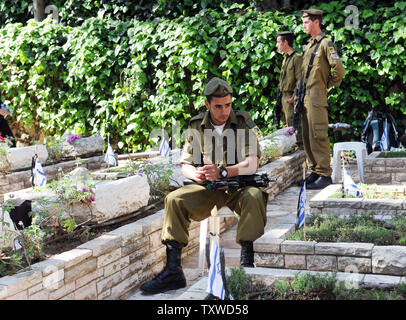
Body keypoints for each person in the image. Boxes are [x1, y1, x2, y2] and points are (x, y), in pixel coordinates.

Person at [140, 77, 268, 294]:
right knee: (174, 199)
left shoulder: (243, 122)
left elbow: (252, 163)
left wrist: (225, 171)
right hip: (210, 188)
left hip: (239, 187)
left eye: (228, 105)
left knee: (254, 196)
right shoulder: (196, 126)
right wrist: (197, 174)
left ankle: (247, 263)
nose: (224, 111)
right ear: (208, 105)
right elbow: (185, 165)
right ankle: (173, 271)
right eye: (218, 106)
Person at [299, 9, 345, 190]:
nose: (303, 26)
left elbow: (339, 70)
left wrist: (328, 85)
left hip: (317, 98)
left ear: (316, 22)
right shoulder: (309, 46)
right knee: (308, 136)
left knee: (318, 135)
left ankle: (325, 174)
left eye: (306, 22)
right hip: (305, 98)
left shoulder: (326, 44)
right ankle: (315, 171)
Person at [276, 31, 303, 149]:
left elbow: (300, 79)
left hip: (290, 97)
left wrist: (295, 97)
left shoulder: (296, 57)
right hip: (283, 96)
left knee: (294, 127)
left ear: (285, 42)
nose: (277, 45)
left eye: (278, 42)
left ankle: (299, 153)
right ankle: (290, 150)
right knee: (285, 127)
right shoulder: (286, 58)